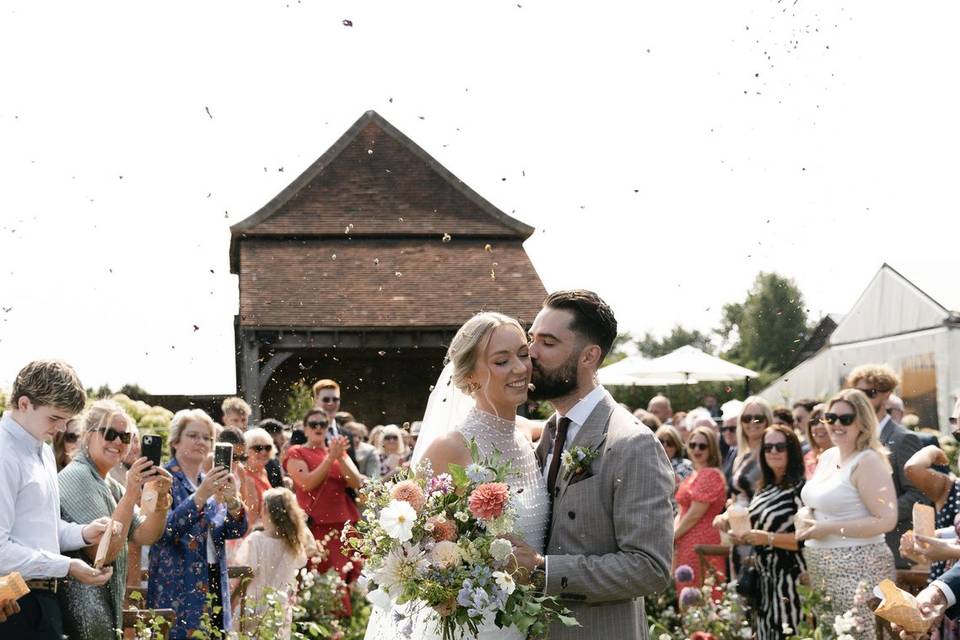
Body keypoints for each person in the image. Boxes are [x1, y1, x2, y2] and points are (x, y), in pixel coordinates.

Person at [366, 310, 551, 640]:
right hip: (477, 624)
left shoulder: (527, 434)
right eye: (501, 360)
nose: (520, 368)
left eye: (524, 354)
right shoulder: (450, 447)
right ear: (469, 378)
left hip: (529, 621)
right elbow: (410, 549)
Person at [518, 290, 674, 639]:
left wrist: (544, 571)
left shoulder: (632, 443)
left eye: (548, 342)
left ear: (589, 356)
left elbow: (650, 568)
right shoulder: (550, 431)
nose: (531, 353)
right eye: (532, 338)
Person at [0, 360, 113, 639]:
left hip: (44, 602)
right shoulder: (4, 453)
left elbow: (41, 531)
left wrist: (84, 533)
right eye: (54, 418)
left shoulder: (45, 450)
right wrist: (68, 566)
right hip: (12, 604)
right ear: (24, 403)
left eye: (66, 419)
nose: (62, 428)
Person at [58, 400, 173, 639]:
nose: (118, 442)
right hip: (80, 614)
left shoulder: (111, 484)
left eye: (126, 436)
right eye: (109, 433)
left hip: (99, 609)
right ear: (87, 436)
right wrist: (132, 492)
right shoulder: (77, 476)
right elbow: (103, 553)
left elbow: (145, 535)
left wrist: (160, 503)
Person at [797, 388, 897, 640]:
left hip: (860, 569)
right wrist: (803, 514)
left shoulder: (868, 460)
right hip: (822, 569)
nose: (836, 425)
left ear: (862, 423)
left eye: (845, 419)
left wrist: (827, 529)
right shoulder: (828, 456)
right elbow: (817, 500)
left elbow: (886, 519)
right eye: (831, 418)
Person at [147, 409, 248, 638]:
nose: (200, 442)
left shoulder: (208, 481)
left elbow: (234, 531)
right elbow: (163, 532)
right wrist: (199, 497)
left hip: (213, 579)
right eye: (193, 435)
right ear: (175, 440)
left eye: (206, 437)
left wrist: (233, 502)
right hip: (177, 585)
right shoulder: (160, 479)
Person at [721, 424, 805, 640]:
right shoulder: (764, 488)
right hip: (763, 579)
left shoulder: (800, 489)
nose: (774, 452)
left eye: (780, 447)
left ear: (792, 450)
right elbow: (753, 523)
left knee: (788, 632)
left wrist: (766, 538)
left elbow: (804, 538)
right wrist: (735, 529)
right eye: (768, 448)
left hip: (790, 579)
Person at [847, 364, 927, 568]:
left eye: (869, 392)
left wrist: (879, 514)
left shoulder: (903, 439)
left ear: (887, 395)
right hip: (857, 548)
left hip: (892, 550)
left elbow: (919, 495)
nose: (862, 398)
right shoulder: (851, 440)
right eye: (857, 393)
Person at [284, 407, 362, 615]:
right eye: (313, 424)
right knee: (317, 577)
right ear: (305, 429)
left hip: (342, 525)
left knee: (343, 578)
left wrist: (338, 456)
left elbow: (356, 482)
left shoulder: (336, 450)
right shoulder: (296, 452)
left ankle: (343, 627)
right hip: (315, 527)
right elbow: (307, 483)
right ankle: (320, 627)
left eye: (323, 424)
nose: (318, 428)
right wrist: (330, 459)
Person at [235, 488, 316, 636]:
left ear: (265, 509)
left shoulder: (256, 540)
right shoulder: (293, 544)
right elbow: (303, 559)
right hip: (278, 610)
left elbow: (246, 573)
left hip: (253, 607)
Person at [673, 426, 727, 592]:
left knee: (701, 596)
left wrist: (673, 537)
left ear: (711, 448)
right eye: (693, 444)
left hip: (701, 542)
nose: (697, 449)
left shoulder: (709, 474)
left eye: (702, 446)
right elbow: (683, 510)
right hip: (686, 541)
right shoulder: (695, 474)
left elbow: (695, 514)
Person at [726, 395, 771, 505]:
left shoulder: (772, 454)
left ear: (767, 420)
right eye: (746, 418)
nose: (752, 422)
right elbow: (736, 496)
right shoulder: (740, 457)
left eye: (758, 418)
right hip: (739, 519)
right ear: (741, 422)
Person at [237, 427, 276, 532]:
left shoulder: (263, 472)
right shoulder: (246, 477)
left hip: (267, 530)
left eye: (267, 448)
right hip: (255, 534)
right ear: (246, 451)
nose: (263, 452)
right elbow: (251, 518)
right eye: (258, 448)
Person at [803, 403, 833, 479]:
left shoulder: (844, 456)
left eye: (825, 421)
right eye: (814, 422)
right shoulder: (808, 458)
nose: (819, 426)